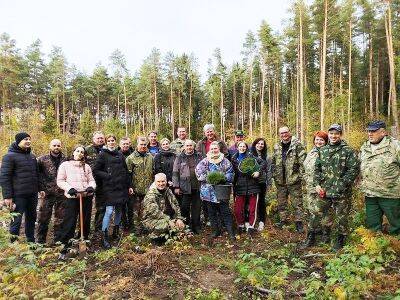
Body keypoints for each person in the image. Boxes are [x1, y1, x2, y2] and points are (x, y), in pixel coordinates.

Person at [314, 124, 360, 250]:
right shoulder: (322, 150)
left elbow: (354, 169)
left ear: (340, 135)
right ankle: (320, 236)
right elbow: (317, 169)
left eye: (336, 133)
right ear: (328, 134)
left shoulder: (348, 150)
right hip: (325, 190)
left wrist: (343, 184)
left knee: (341, 217)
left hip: (342, 191)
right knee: (320, 213)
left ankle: (341, 239)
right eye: (331, 133)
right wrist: (317, 184)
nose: (333, 136)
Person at [360, 120, 400, 235]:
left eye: (373, 131)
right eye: (368, 131)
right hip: (370, 194)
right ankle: (375, 249)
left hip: (390, 194)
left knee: (396, 225)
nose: (370, 134)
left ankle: (395, 247)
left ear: (383, 133)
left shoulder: (395, 146)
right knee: (372, 226)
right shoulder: (365, 147)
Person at [93, 134, 133, 249]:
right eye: (109, 141)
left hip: (121, 187)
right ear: (106, 142)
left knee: (119, 210)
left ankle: (115, 231)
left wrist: (129, 185)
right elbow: (96, 170)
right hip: (109, 188)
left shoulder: (120, 154)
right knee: (109, 211)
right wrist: (108, 176)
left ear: (115, 142)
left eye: (113, 140)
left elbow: (125, 171)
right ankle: (104, 235)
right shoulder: (102, 155)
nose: (111, 142)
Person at [57, 145, 96, 258]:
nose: (80, 153)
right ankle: (65, 247)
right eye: (77, 151)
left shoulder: (86, 166)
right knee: (70, 222)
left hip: (86, 196)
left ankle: (83, 243)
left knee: (85, 221)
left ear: (84, 155)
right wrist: (69, 188)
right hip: (72, 198)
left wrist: (91, 187)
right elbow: (60, 180)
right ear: (73, 152)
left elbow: (91, 180)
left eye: (82, 152)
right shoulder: (65, 165)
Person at [0, 132, 39, 243]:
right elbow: (4, 177)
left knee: (31, 219)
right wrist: (7, 196)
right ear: (18, 141)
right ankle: (14, 245)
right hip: (18, 196)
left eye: (29, 139)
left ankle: (31, 242)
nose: (28, 141)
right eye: (25, 139)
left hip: (32, 195)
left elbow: (36, 174)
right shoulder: (9, 156)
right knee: (16, 221)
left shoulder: (32, 156)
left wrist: (39, 189)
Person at [195, 141, 235, 240]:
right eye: (212, 149)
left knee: (225, 212)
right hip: (208, 192)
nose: (214, 150)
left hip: (222, 191)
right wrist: (209, 178)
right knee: (211, 213)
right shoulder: (205, 161)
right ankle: (215, 231)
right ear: (209, 150)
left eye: (215, 148)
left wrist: (222, 178)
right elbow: (198, 172)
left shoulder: (225, 161)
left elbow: (230, 173)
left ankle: (230, 232)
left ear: (219, 149)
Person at [272, 126, 307, 232]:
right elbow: (273, 161)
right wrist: (274, 174)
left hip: (294, 179)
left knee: (297, 202)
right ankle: (284, 220)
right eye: (281, 133)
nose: (284, 135)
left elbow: (303, 162)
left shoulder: (297, 145)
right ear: (279, 134)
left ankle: (299, 222)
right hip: (280, 179)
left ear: (289, 132)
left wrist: (300, 177)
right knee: (281, 202)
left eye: (285, 132)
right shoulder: (277, 146)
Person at [37, 139, 67, 244]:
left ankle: (58, 241)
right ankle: (40, 242)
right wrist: (40, 188)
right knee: (43, 218)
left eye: (58, 145)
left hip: (61, 193)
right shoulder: (41, 159)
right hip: (47, 193)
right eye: (54, 145)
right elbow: (37, 175)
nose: (56, 147)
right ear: (50, 146)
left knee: (60, 218)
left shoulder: (66, 159)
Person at [301, 131, 328, 248]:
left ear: (325, 141)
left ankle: (324, 235)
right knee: (311, 210)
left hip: (321, 188)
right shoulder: (311, 152)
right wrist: (305, 179)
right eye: (317, 139)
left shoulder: (327, 153)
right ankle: (317, 232)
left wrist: (323, 186)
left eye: (321, 140)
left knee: (322, 211)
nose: (319, 142)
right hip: (310, 187)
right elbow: (305, 168)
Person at [231, 142, 265, 234]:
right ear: (237, 148)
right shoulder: (233, 159)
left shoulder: (251, 156)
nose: (242, 148)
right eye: (240, 146)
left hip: (253, 185)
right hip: (239, 186)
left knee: (252, 208)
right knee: (238, 209)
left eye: (244, 146)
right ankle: (240, 225)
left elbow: (262, 162)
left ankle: (251, 226)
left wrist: (258, 171)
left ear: (246, 148)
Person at [142, 173, 185, 244]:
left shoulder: (168, 191)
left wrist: (178, 218)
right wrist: (169, 221)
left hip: (166, 218)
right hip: (151, 220)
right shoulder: (150, 195)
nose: (161, 184)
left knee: (181, 225)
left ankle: (172, 238)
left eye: (163, 181)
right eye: (158, 181)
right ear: (155, 182)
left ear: (166, 181)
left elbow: (176, 205)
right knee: (168, 226)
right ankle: (154, 239)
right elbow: (154, 213)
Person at [172, 139, 202, 234]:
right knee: (184, 207)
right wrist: (176, 186)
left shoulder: (199, 156)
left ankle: (196, 226)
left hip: (197, 186)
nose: (189, 147)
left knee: (196, 207)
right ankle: (187, 226)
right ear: (184, 147)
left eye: (190, 145)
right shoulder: (179, 157)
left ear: (193, 146)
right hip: (185, 187)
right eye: (187, 146)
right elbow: (175, 172)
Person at [126, 136, 154, 230]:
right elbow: (128, 174)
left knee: (146, 209)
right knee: (135, 210)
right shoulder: (131, 158)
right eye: (141, 144)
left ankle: (145, 228)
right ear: (137, 145)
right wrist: (130, 187)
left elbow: (153, 171)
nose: (143, 146)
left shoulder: (150, 156)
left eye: (145, 144)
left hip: (148, 189)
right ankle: (136, 229)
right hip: (135, 189)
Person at [85, 131, 106, 232]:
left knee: (101, 207)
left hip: (103, 183)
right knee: (87, 208)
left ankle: (98, 229)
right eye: (98, 138)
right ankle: (85, 230)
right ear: (93, 139)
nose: (100, 140)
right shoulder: (87, 150)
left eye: (102, 138)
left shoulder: (107, 150)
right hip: (89, 183)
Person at [250, 138, 272, 231]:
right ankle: (251, 221)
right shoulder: (250, 155)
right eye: (258, 143)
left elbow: (269, 171)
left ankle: (262, 221)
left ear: (264, 146)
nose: (260, 145)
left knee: (261, 201)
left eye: (262, 144)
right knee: (252, 201)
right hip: (251, 182)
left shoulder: (267, 157)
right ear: (255, 144)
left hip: (262, 181)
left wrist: (269, 183)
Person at [119, 136, 134, 232]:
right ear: (120, 145)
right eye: (123, 144)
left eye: (127, 144)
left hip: (131, 183)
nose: (125, 145)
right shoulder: (116, 154)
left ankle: (131, 225)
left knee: (131, 206)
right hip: (120, 185)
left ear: (129, 144)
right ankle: (123, 225)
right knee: (122, 207)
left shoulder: (133, 154)